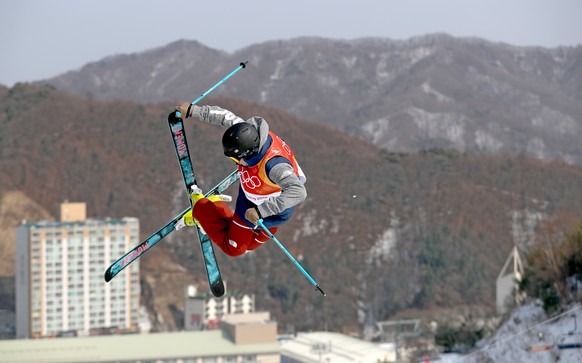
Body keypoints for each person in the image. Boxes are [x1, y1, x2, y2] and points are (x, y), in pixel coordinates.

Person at [174, 102, 307, 257]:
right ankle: (201, 208)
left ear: (249, 152)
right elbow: (225, 117)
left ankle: (213, 209)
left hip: (271, 210)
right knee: (235, 249)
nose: (236, 163)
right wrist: (194, 111)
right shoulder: (249, 132)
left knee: (250, 244)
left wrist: (261, 211)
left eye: (236, 159)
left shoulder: (275, 166)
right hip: (250, 203)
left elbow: (298, 192)